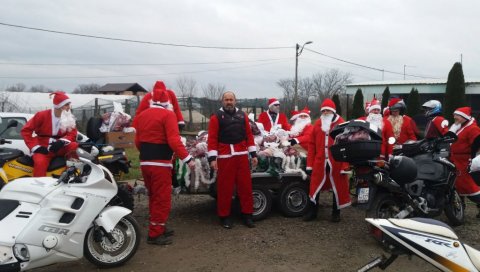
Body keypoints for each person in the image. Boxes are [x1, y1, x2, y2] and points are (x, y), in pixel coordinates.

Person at [133, 88, 195, 245]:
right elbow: (174, 140)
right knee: (162, 199)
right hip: (160, 163)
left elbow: (137, 142)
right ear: (167, 102)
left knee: (153, 196)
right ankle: (155, 234)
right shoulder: (168, 115)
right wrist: (188, 159)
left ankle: (159, 226)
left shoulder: (141, 116)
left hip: (145, 162)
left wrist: (147, 154)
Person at [207, 91, 258, 229]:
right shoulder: (216, 117)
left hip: (241, 155)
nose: (229, 102)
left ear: (235, 101)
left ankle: (247, 215)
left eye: (231, 99)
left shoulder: (242, 116)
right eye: (226, 99)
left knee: (245, 187)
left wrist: (253, 154)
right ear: (222, 101)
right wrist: (212, 158)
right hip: (225, 156)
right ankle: (224, 216)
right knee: (225, 188)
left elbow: (249, 135)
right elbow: (212, 139)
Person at [304, 98, 351, 222]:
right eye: (323, 110)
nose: (325, 113)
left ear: (333, 111)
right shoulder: (318, 124)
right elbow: (311, 145)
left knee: (338, 187)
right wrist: (310, 165)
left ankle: (336, 213)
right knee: (315, 186)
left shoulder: (341, 123)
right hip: (320, 161)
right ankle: (313, 212)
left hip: (336, 161)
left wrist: (345, 165)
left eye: (328, 111)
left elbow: (346, 145)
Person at [21, 91, 78, 177]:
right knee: (40, 163)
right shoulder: (41, 115)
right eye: (66, 105)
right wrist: (35, 147)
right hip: (43, 147)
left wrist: (62, 141)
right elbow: (25, 130)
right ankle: (39, 185)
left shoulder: (68, 118)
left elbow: (73, 133)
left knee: (74, 146)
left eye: (69, 104)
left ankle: (71, 175)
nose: (69, 107)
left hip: (60, 146)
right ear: (58, 106)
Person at [449, 107, 480, 218]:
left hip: (465, 162)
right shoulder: (459, 127)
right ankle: (459, 209)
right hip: (456, 161)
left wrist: (473, 161)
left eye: (457, 115)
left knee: (471, 189)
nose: (454, 117)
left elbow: (477, 146)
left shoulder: (473, 129)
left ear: (464, 117)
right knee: (457, 186)